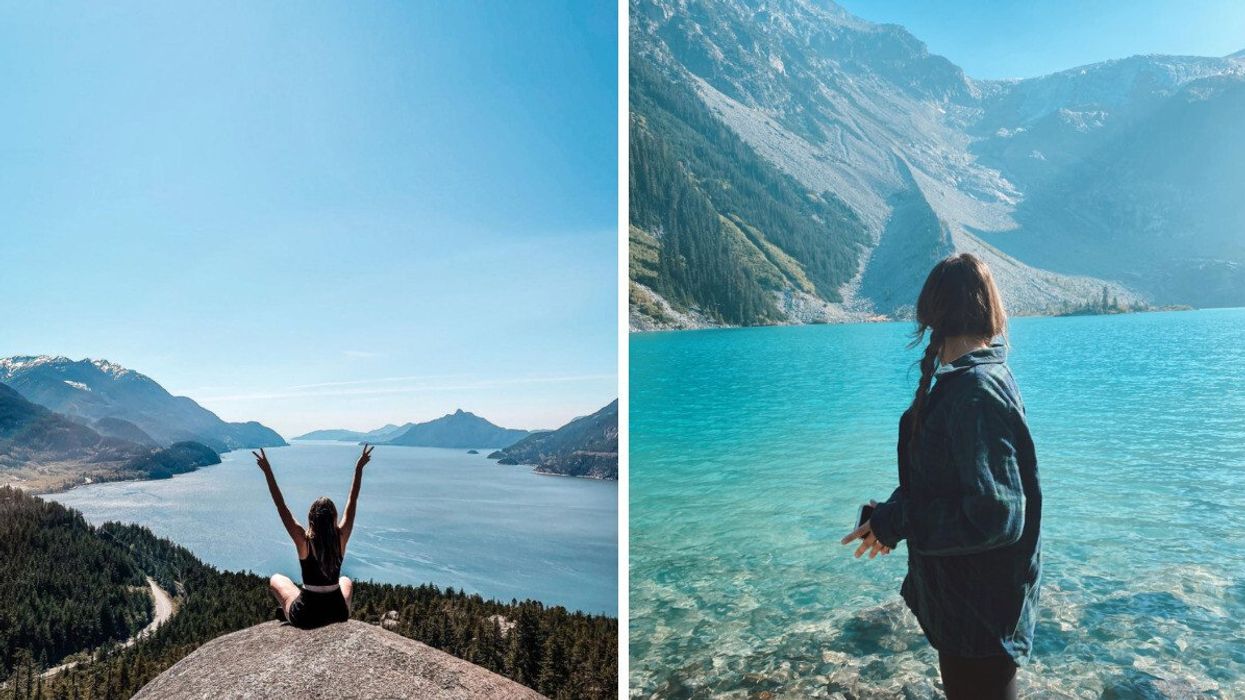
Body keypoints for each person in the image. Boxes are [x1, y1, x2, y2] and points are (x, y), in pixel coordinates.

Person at [841, 253, 1041, 700]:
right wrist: (890, 517)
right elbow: (945, 483)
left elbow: (997, 516)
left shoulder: (975, 392)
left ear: (930, 312)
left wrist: (902, 521)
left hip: (979, 614)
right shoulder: (968, 382)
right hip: (970, 608)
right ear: (989, 309)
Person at [257, 444, 374, 629]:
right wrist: (358, 468)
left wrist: (267, 471)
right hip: (338, 612)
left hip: (307, 615)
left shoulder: (304, 541)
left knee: (277, 579)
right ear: (334, 517)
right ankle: (324, 608)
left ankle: (287, 609)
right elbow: (353, 500)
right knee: (345, 581)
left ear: (311, 518)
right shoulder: (341, 537)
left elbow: (281, 506)